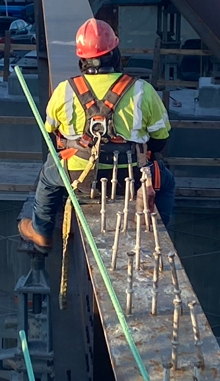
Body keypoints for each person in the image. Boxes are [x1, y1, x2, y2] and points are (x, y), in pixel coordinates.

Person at [18, 17, 174, 250]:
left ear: (82, 58)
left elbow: (51, 133)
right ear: (115, 53)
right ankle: (158, 233)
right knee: (166, 181)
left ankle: (41, 232)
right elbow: (160, 140)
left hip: (79, 178)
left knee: (49, 176)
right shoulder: (143, 90)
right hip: (129, 179)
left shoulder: (65, 90)